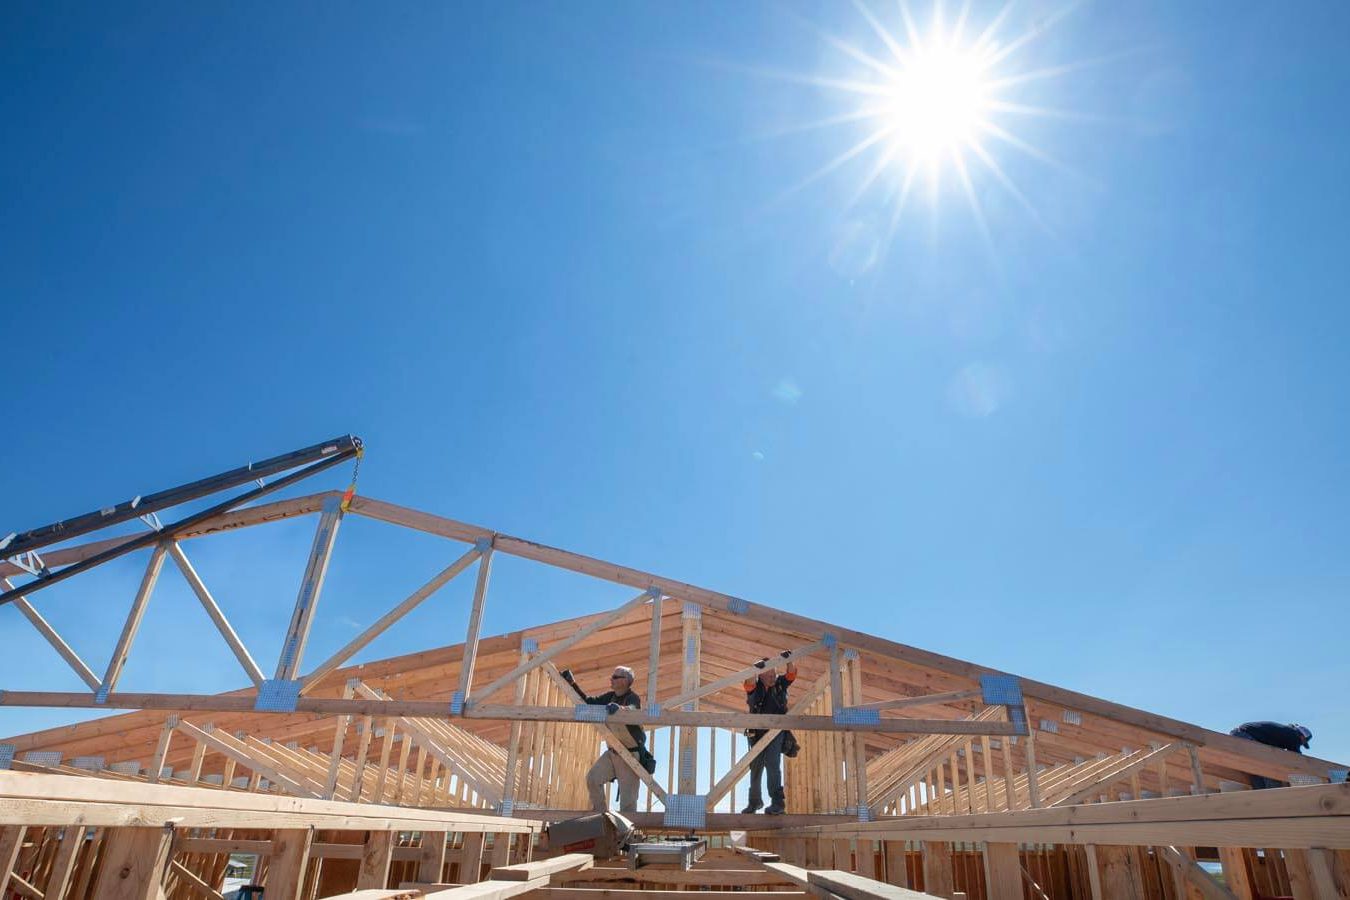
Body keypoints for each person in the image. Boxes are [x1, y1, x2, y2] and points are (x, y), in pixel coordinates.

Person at [562, 664, 647, 812]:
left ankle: (625, 834)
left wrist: (621, 709)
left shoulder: (632, 698)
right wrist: (573, 684)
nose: (611, 679)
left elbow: (634, 709)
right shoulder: (610, 696)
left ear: (625, 681)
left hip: (630, 755)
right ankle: (602, 816)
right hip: (612, 753)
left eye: (615, 677)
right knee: (593, 779)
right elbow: (589, 701)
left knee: (628, 801)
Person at [741, 650, 796, 815]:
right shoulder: (754, 687)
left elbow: (791, 674)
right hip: (756, 734)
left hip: (776, 732)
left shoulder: (780, 684)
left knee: (773, 765)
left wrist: (789, 660)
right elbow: (747, 683)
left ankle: (778, 803)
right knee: (756, 768)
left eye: (774, 672)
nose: (773, 675)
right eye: (769, 673)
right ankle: (754, 802)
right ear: (761, 675)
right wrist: (755, 669)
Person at [1230, 721, 1313, 789]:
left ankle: (1261, 794)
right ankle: (1272, 794)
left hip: (1239, 735)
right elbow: (1297, 758)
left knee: (1256, 770)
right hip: (1246, 736)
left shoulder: (1282, 733)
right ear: (1301, 736)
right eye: (1302, 742)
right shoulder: (1293, 735)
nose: (1300, 744)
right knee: (1270, 769)